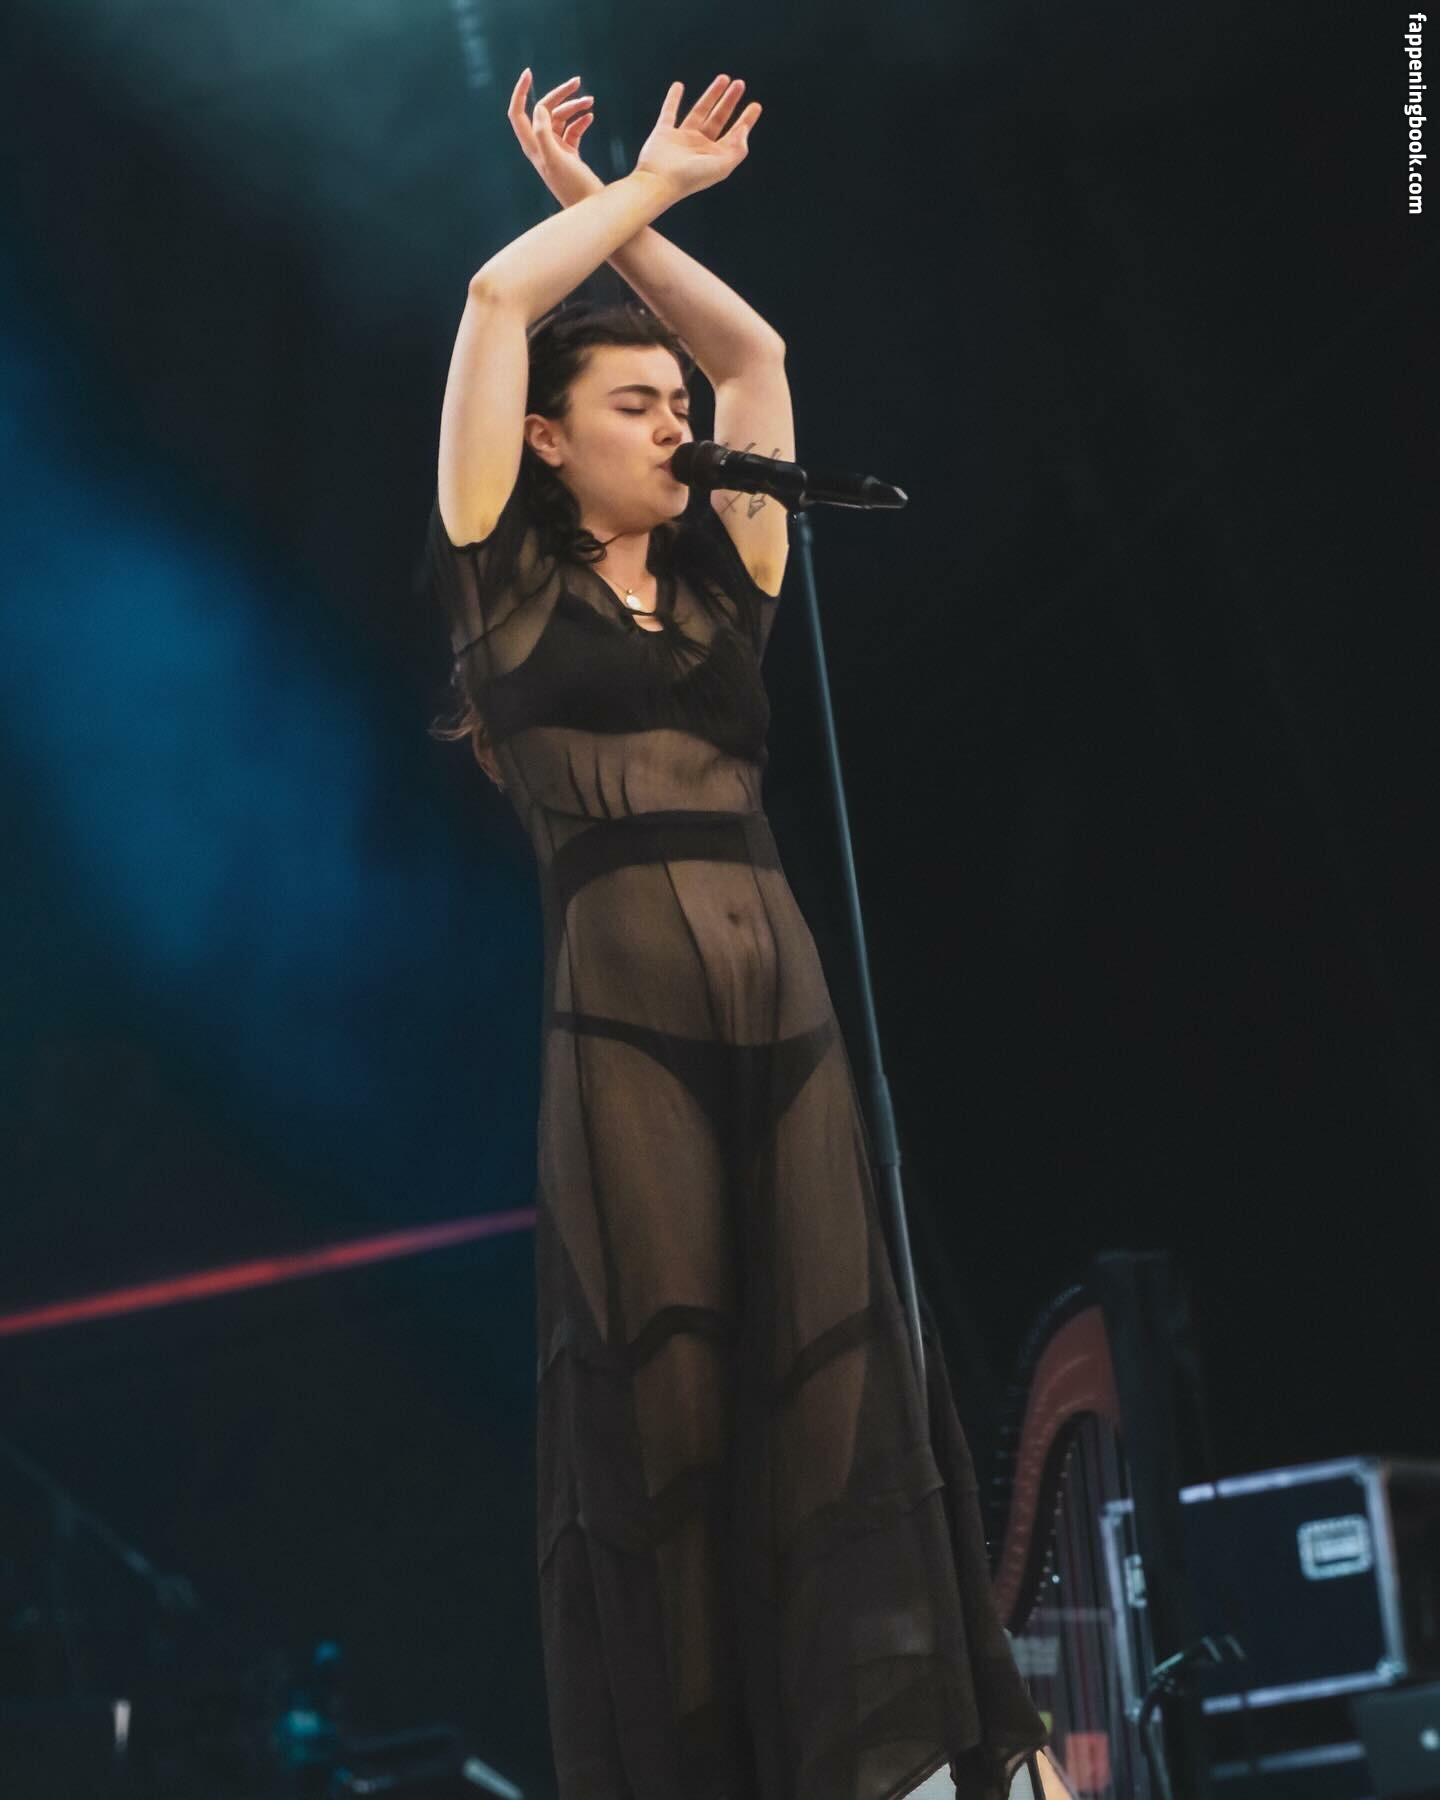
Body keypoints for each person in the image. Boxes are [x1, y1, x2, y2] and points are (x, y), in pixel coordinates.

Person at [421, 68, 1051, 1800]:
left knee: (833, 1356)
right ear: (548, 441)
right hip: (623, 1022)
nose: (674, 426)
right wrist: (627, 198)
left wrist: (630, 210)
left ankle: (902, 1754)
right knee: (671, 1386)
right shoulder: (502, 579)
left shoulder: (723, 580)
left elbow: (756, 357)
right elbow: (497, 301)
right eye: (634, 406)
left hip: (782, 1002)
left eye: (673, 405)